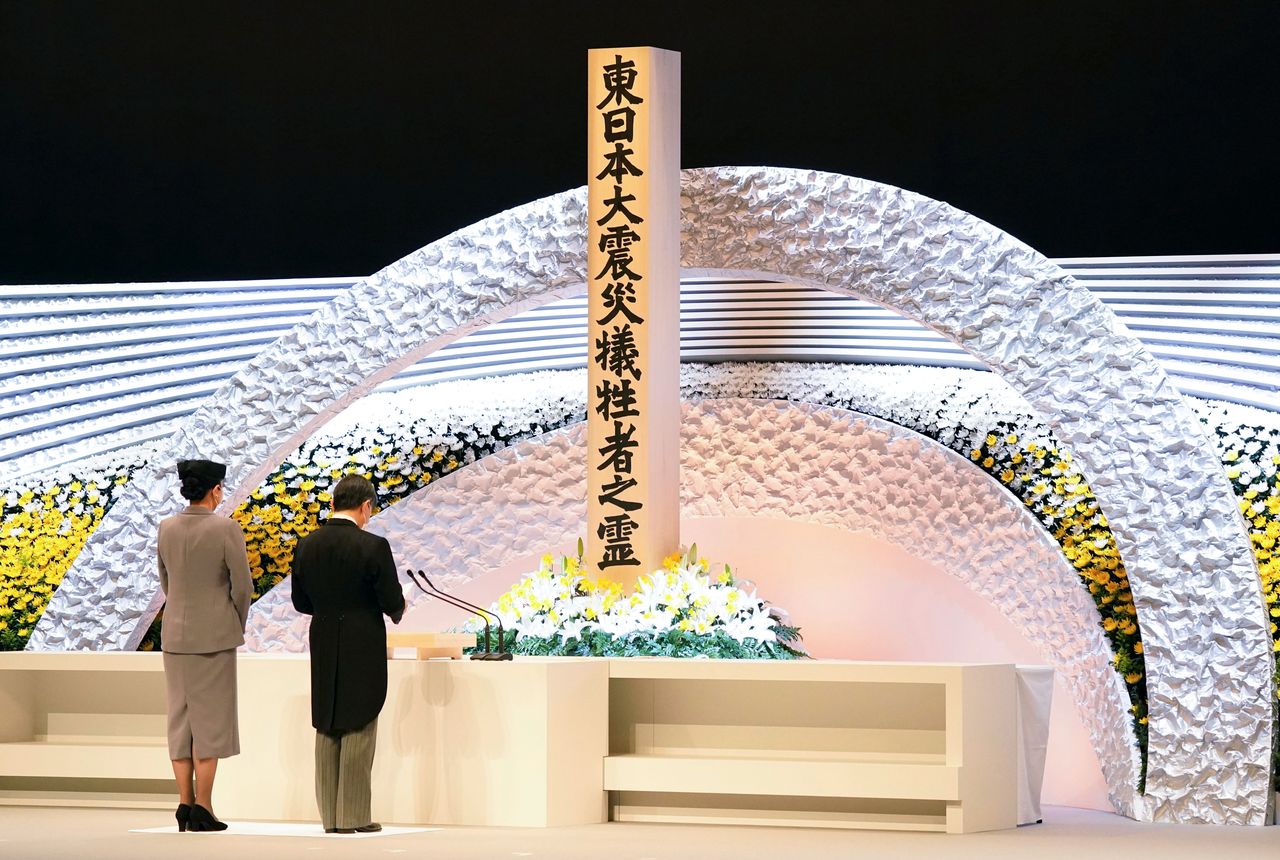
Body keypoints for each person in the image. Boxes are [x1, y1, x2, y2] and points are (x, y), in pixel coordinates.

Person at [291, 473, 405, 834]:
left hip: (323, 637)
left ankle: (330, 817)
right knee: (360, 717)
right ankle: (353, 817)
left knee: (327, 719)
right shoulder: (373, 546)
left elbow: (300, 601)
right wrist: (396, 610)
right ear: (365, 506)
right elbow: (392, 601)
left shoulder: (307, 545)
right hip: (362, 639)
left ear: (334, 503)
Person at [156, 458, 253, 833]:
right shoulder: (227, 529)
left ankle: (183, 802)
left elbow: (166, 581)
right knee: (210, 724)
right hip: (213, 637)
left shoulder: (165, 528)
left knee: (180, 723)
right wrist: (233, 623)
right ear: (215, 490)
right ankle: (204, 806)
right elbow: (241, 587)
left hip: (175, 637)